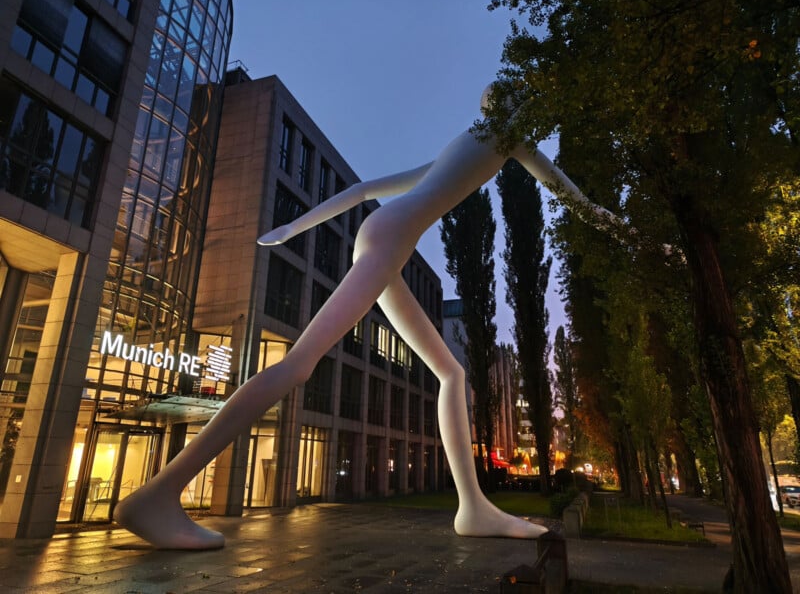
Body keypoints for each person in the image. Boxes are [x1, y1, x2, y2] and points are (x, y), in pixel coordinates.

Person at [113, 86, 615, 549]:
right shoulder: (507, 140)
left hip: (383, 234)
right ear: (512, 112)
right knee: (299, 364)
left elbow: (365, 189)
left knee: (451, 372)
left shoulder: (467, 140)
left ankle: (473, 507)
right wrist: (632, 235)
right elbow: (572, 194)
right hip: (392, 238)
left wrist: (293, 226)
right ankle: (158, 495)